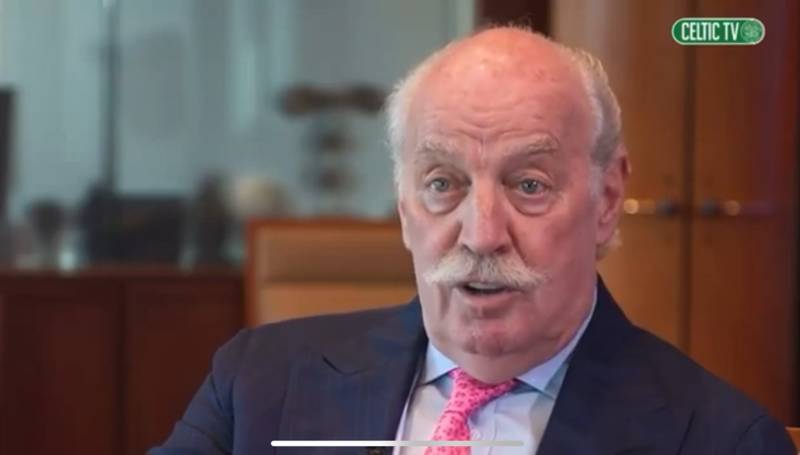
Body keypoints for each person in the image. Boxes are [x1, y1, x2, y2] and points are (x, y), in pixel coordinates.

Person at [151, 27, 794, 455]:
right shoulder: (259, 384)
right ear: (403, 204)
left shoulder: (720, 440)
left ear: (605, 199)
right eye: (442, 183)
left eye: (530, 185)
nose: (483, 235)